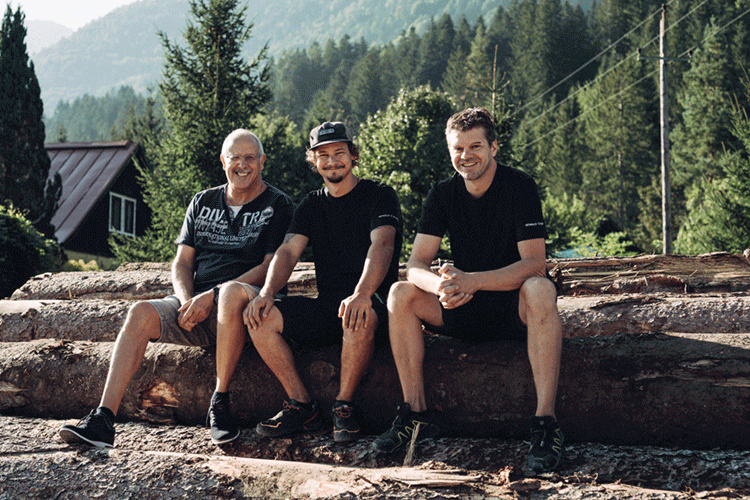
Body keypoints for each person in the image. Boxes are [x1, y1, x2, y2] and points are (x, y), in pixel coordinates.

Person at [59, 129, 293, 447]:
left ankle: (219, 404)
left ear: (262, 161)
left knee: (227, 294)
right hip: (199, 302)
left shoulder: (278, 204)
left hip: (245, 306)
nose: (242, 164)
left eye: (250, 157)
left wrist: (210, 296)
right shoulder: (202, 202)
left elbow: (269, 267)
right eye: (235, 158)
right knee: (139, 312)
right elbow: (181, 262)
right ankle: (103, 419)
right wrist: (186, 300)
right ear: (223, 161)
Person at [372, 108, 564, 473]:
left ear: (493, 146)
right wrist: (442, 286)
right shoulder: (443, 193)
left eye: (475, 146)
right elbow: (415, 265)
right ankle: (416, 414)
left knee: (540, 288)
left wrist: (473, 280)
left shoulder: (519, 186)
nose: (466, 156)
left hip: (511, 307)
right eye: (458, 148)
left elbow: (534, 263)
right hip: (462, 306)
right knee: (400, 294)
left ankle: (545, 424)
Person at [242, 121, 402, 443]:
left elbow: (382, 245)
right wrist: (267, 293)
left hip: (375, 304)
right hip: (329, 305)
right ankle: (301, 404)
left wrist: (362, 293)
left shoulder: (379, 195)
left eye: (339, 153)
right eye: (323, 155)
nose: (332, 162)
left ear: (353, 156)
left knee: (357, 314)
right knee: (260, 317)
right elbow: (288, 252)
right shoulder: (311, 205)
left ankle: (343, 407)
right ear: (313, 161)